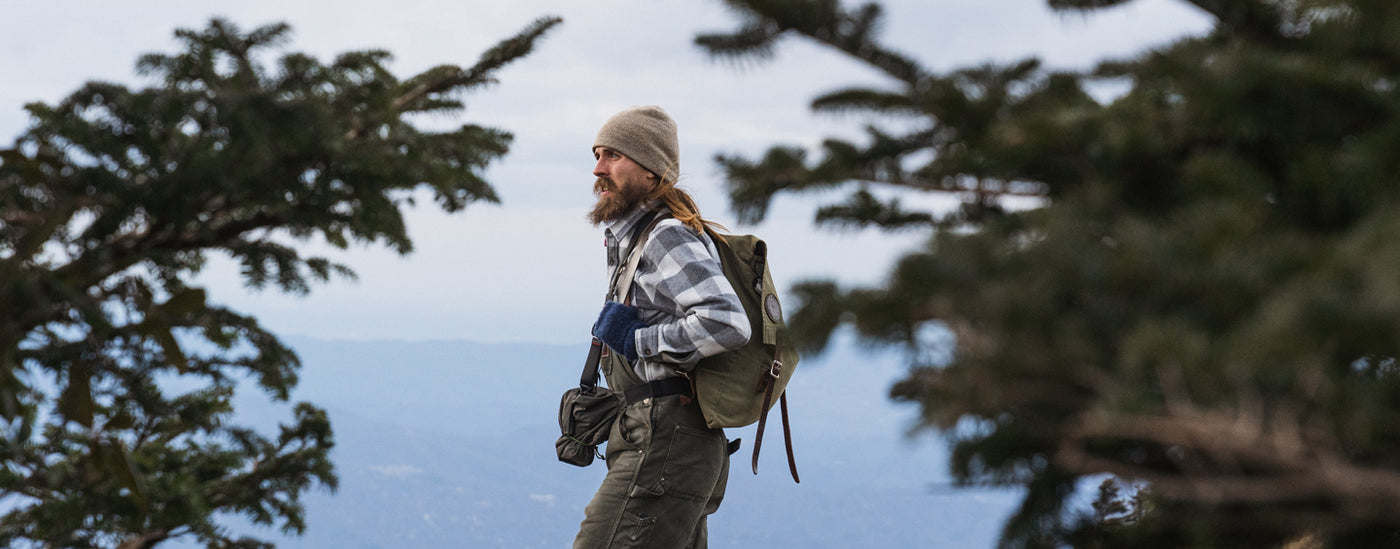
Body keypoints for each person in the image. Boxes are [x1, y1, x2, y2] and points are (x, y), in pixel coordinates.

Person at [574, 105, 752, 548]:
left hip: (667, 440)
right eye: (597, 155)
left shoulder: (664, 235)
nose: (598, 169)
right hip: (661, 436)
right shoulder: (633, 237)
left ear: (651, 169)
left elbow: (727, 322)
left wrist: (637, 340)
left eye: (613, 155)